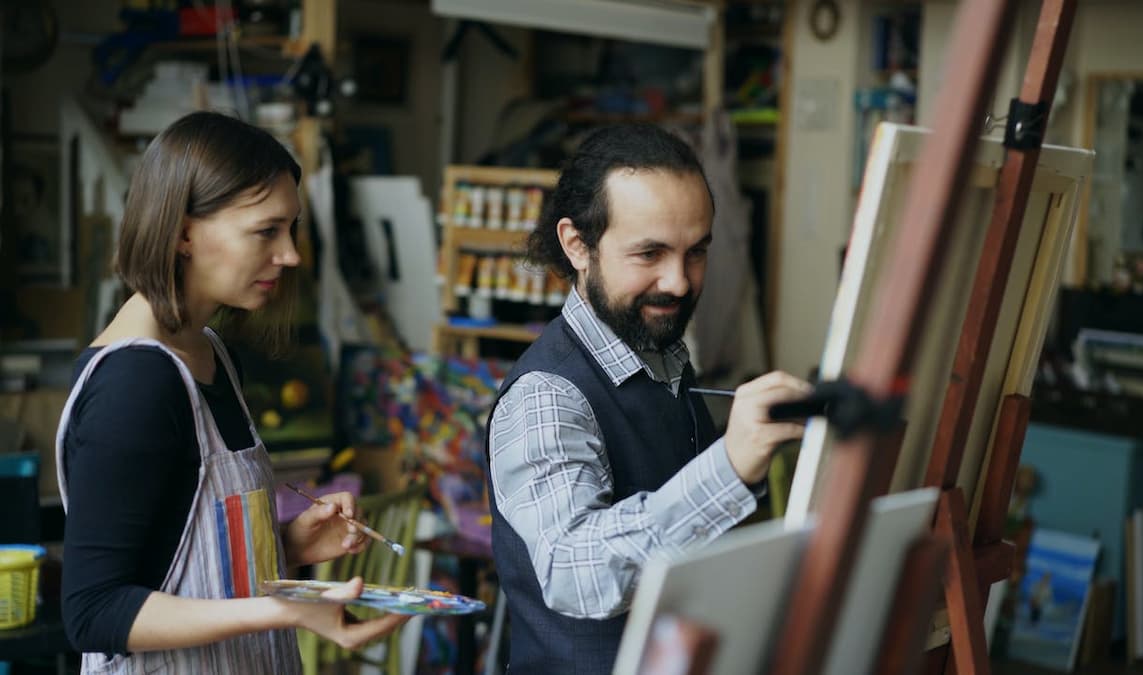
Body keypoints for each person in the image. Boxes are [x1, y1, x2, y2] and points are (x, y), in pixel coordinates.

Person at [56, 111, 406, 673]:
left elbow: (179, 561)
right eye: (267, 231)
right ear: (183, 233)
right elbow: (93, 612)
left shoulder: (213, 353)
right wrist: (286, 609)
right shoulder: (135, 384)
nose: (290, 255)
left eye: (291, 229)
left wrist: (288, 544)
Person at [486, 124, 810, 673]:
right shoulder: (547, 395)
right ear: (577, 245)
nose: (679, 282)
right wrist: (729, 467)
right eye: (650, 253)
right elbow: (574, 573)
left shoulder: (664, 357)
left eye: (696, 252)